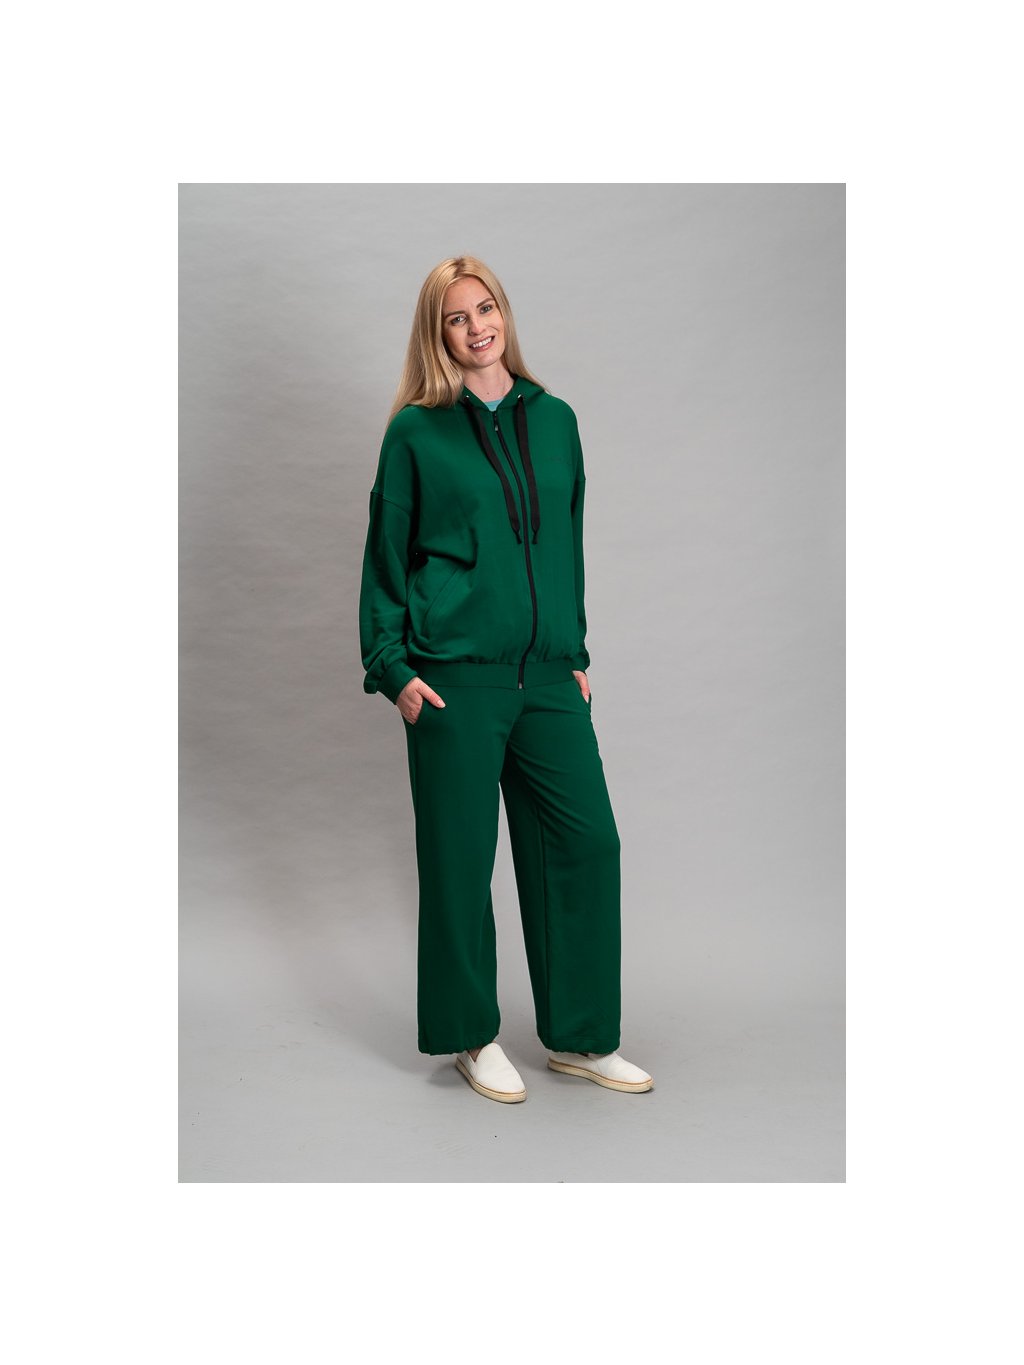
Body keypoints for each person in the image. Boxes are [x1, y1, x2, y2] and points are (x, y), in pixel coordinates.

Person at [358, 255, 652, 1103]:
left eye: (485, 308)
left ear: (504, 313)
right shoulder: (417, 432)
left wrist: (574, 652)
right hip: (454, 679)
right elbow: (385, 554)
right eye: (456, 317)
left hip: (549, 678)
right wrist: (393, 668)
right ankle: (469, 1035)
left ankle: (582, 1036)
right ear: (438, 334)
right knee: (459, 862)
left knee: (585, 843)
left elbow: (566, 540)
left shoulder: (555, 420)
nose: (476, 327)